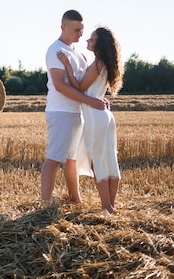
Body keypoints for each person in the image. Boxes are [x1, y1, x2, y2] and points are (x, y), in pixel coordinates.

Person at [42, 10, 109, 204]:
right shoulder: (55, 51)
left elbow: (83, 85)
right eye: (77, 30)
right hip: (60, 111)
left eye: (82, 29)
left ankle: (75, 200)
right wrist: (90, 102)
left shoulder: (77, 53)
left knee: (71, 159)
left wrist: (98, 98)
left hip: (76, 112)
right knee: (54, 158)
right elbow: (60, 85)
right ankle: (45, 204)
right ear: (63, 28)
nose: (81, 34)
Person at [57, 26, 124, 214]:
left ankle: (106, 206)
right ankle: (111, 205)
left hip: (95, 117)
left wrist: (68, 67)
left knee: (97, 161)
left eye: (92, 40)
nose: (87, 41)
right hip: (105, 116)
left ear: (99, 44)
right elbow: (93, 92)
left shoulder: (97, 64)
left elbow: (78, 88)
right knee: (110, 158)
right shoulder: (105, 64)